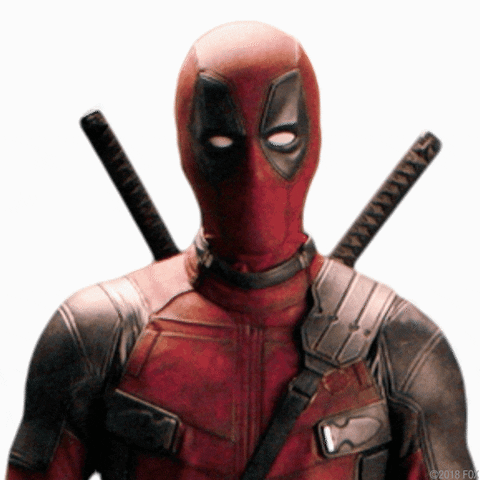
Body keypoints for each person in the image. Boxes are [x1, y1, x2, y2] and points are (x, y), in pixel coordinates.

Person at [6, 21, 475, 480]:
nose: (253, 170)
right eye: (222, 141)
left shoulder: (398, 344)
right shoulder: (99, 332)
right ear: (187, 143)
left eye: (280, 139)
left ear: (312, 138)